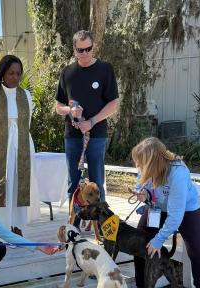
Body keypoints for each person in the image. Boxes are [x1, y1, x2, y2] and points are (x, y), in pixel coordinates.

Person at [132, 137, 200, 288]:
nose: (138, 166)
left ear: (153, 162)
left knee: (198, 252)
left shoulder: (178, 172)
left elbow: (175, 216)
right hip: (157, 207)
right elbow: (143, 186)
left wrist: (158, 240)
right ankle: (142, 284)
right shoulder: (144, 167)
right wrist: (144, 195)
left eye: (141, 163)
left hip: (186, 210)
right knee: (139, 244)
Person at [55, 30, 118, 208]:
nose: (85, 54)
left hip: (96, 135)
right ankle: (73, 226)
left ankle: (102, 225)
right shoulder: (67, 73)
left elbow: (113, 104)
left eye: (88, 49)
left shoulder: (105, 69)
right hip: (72, 137)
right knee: (74, 183)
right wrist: (70, 109)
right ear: (74, 50)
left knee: (97, 183)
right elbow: (58, 107)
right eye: (80, 50)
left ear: (93, 47)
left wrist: (91, 122)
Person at [0, 55, 40, 233]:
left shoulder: (26, 95)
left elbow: (27, 123)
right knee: (0, 185)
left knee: (18, 185)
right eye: (11, 73)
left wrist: (17, 138)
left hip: (22, 144)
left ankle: (17, 226)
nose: (15, 77)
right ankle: (0, 227)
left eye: (18, 74)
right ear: (2, 74)